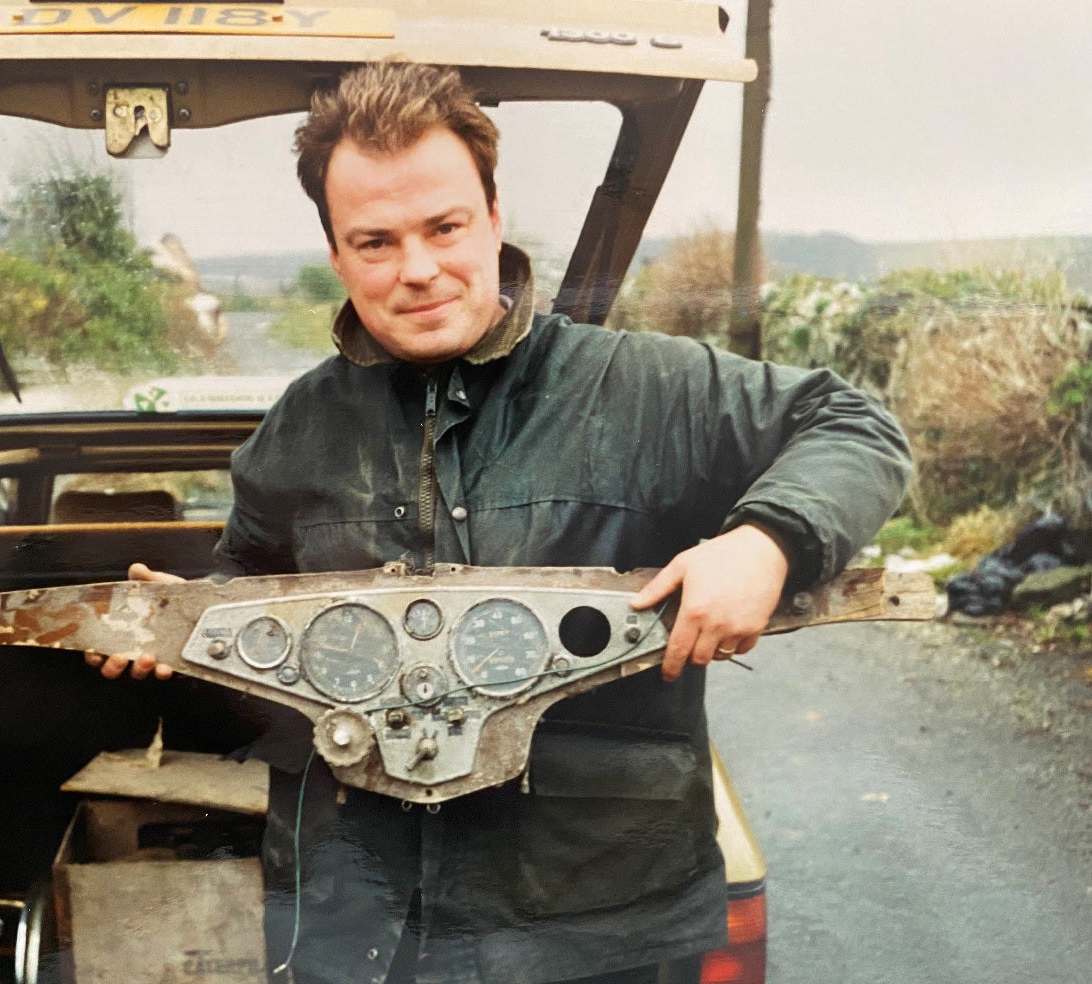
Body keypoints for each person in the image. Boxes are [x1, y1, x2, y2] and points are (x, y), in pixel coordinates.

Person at [98, 61, 912, 984]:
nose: (418, 270)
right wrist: (196, 619)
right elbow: (248, 584)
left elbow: (854, 424)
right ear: (335, 254)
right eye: (376, 242)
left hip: (594, 937)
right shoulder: (299, 427)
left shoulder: (642, 389)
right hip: (361, 932)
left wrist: (767, 541)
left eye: (445, 227)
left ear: (492, 216)